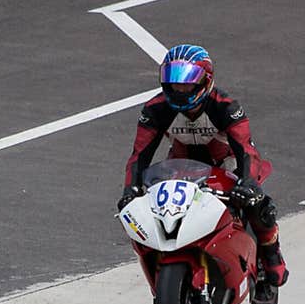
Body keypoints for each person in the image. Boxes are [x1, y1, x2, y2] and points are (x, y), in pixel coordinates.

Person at [117, 44, 288, 286]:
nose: (179, 89)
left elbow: (246, 149)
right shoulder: (155, 109)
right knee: (149, 209)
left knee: (258, 204)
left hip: (228, 167)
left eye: (187, 82)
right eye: (174, 81)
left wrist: (248, 183)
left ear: (205, 81)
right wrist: (130, 189)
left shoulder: (226, 106)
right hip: (180, 168)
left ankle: (272, 253)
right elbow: (139, 155)